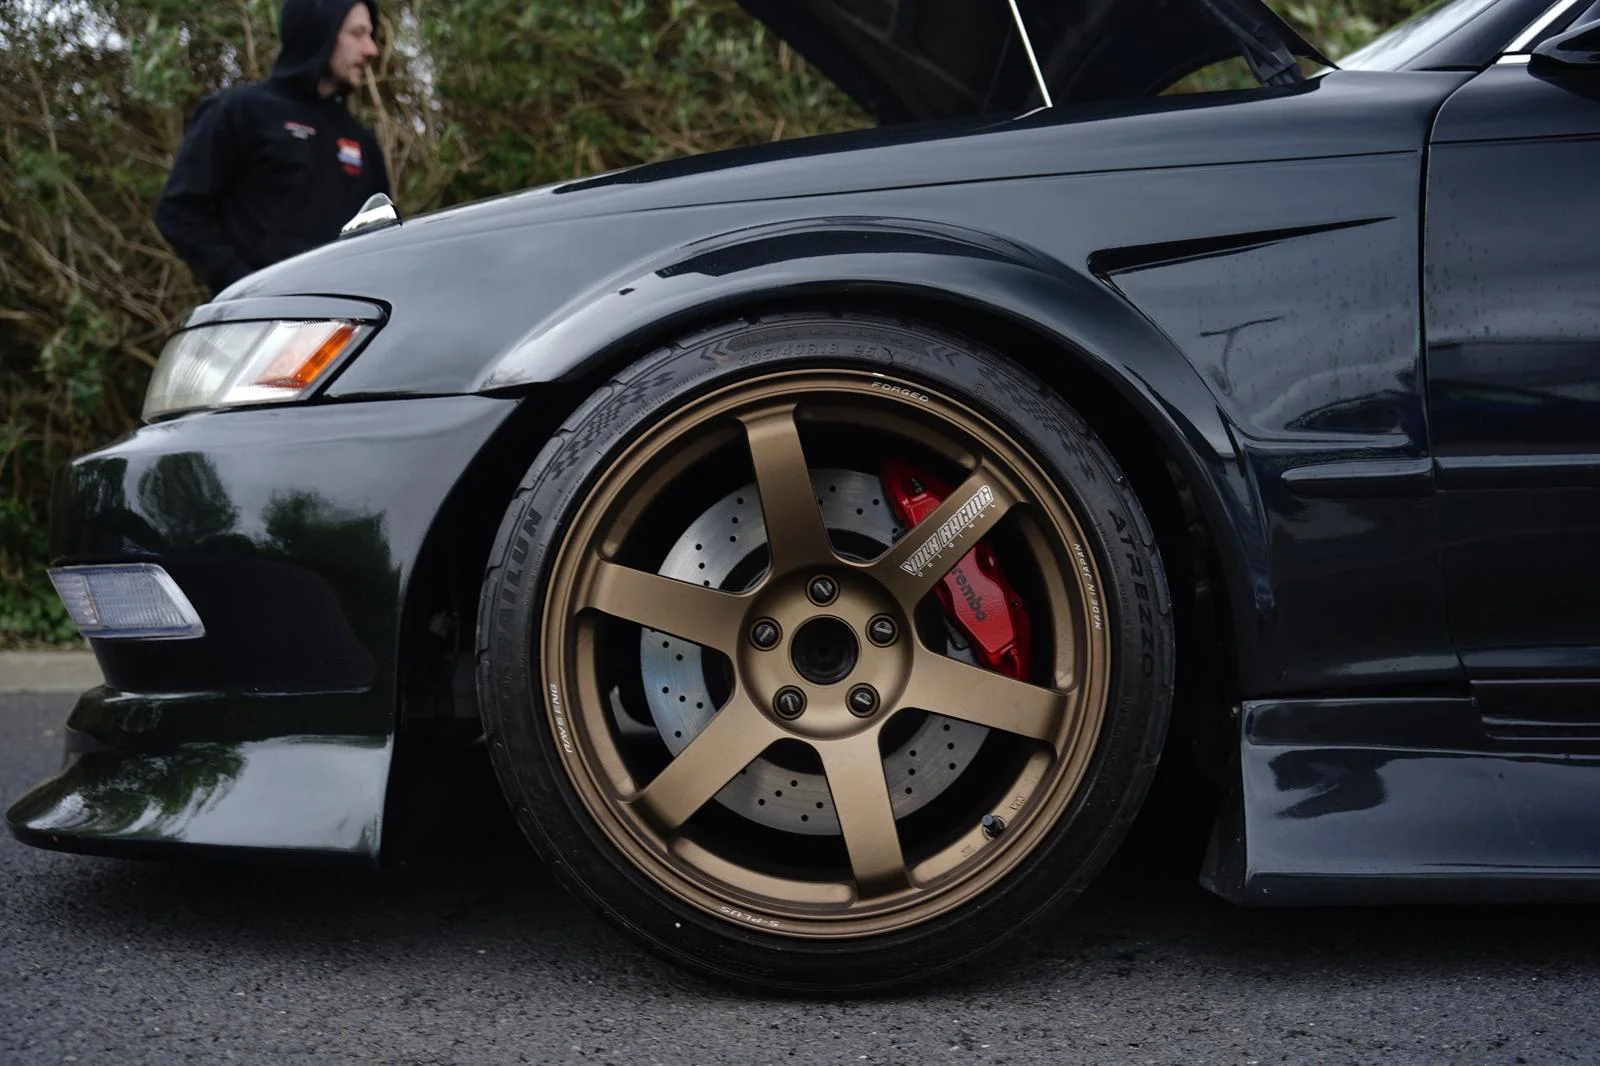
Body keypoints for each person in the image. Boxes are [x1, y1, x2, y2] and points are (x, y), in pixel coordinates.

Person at [155, 0, 390, 296]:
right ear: (319, 31)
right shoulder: (240, 112)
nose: (371, 49)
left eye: (371, 35)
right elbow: (178, 211)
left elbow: (384, 238)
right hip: (263, 317)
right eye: (357, 34)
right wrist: (244, 286)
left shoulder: (361, 140)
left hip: (348, 316)